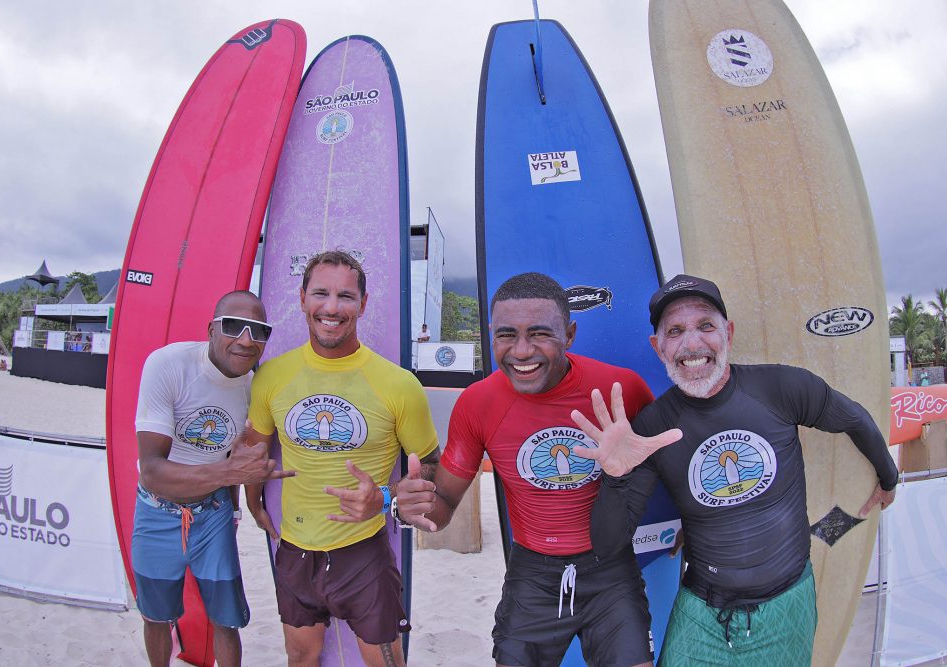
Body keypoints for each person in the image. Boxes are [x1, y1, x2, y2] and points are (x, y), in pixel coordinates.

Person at [573, 274, 899, 666]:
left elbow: (855, 419)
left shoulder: (781, 388)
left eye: (705, 326)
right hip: (703, 613)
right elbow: (608, 545)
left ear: (727, 332)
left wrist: (888, 476)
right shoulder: (652, 428)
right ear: (658, 347)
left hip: (788, 603)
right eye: (675, 331)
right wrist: (614, 476)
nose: (692, 344)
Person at [395, 272, 665, 667]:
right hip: (532, 572)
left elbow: (664, 466)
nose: (521, 351)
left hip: (611, 569)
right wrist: (411, 505)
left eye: (540, 334)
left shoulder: (621, 388)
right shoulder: (478, 403)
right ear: (490, 333)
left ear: (569, 334)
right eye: (506, 335)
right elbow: (444, 505)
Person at [245, 251, 439, 667]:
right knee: (301, 657)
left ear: (363, 305)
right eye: (321, 293)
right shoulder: (271, 376)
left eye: (346, 296)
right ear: (301, 299)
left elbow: (432, 469)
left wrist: (386, 498)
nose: (332, 307)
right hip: (295, 551)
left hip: (363, 554)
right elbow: (254, 449)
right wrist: (252, 502)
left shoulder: (399, 385)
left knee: (386, 663)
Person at [132, 290, 292, 667]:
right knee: (156, 615)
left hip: (214, 513)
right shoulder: (169, 364)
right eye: (234, 327)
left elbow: (254, 455)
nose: (246, 340)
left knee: (227, 619)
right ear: (211, 329)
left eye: (259, 331)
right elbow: (152, 471)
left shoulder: (257, 385)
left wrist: (252, 505)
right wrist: (229, 473)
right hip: (156, 512)